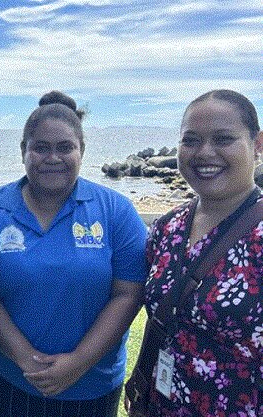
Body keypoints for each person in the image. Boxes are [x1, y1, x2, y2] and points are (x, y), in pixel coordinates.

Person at [0, 91, 147, 417]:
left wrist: (79, 362)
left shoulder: (115, 210)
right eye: (40, 147)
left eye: (65, 147)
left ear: (82, 151)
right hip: (13, 381)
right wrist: (25, 358)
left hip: (94, 386)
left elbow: (129, 293)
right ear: (23, 152)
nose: (52, 157)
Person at [142, 90, 263, 416]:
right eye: (190, 140)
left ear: (257, 144)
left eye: (223, 139)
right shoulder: (166, 229)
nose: (204, 153)